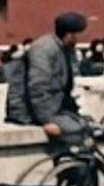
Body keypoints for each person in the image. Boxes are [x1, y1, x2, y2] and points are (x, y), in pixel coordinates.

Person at [6, 10, 90, 153]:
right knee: (76, 132)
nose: (77, 40)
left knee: (88, 126)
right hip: (30, 112)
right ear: (70, 35)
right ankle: (74, 172)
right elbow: (38, 87)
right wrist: (46, 120)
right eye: (76, 36)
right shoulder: (44, 49)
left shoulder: (60, 48)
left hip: (54, 108)